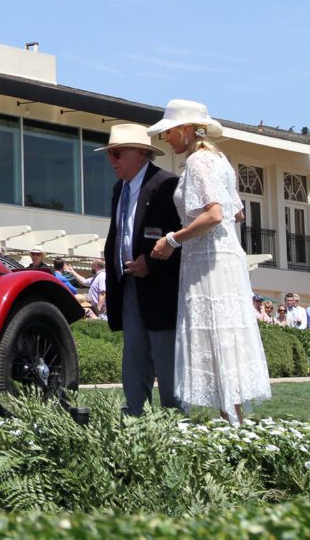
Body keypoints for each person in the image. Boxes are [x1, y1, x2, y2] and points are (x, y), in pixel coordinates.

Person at [148, 99, 271, 423]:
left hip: (207, 261)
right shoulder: (219, 160)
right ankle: (235, 420)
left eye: (170, 132)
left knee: (214, 332)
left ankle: (233, 421)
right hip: (223, 257)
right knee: (224, 337)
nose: (166, 140)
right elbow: (237, 212)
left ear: (186, 129)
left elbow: (215, 214)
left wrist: (173, 239)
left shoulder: (200, 162)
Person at [98, 122, 182, 416]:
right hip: (129, 283)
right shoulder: (118, 189)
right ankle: (135, 422)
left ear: (140, 153)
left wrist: (154, 263)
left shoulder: (168, 185)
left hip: (161, 289)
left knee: (167, 361)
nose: (112, 160)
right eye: (110, 153)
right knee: (134, 359)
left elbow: (187, 242)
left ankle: (177, 426)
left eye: (117, 153)